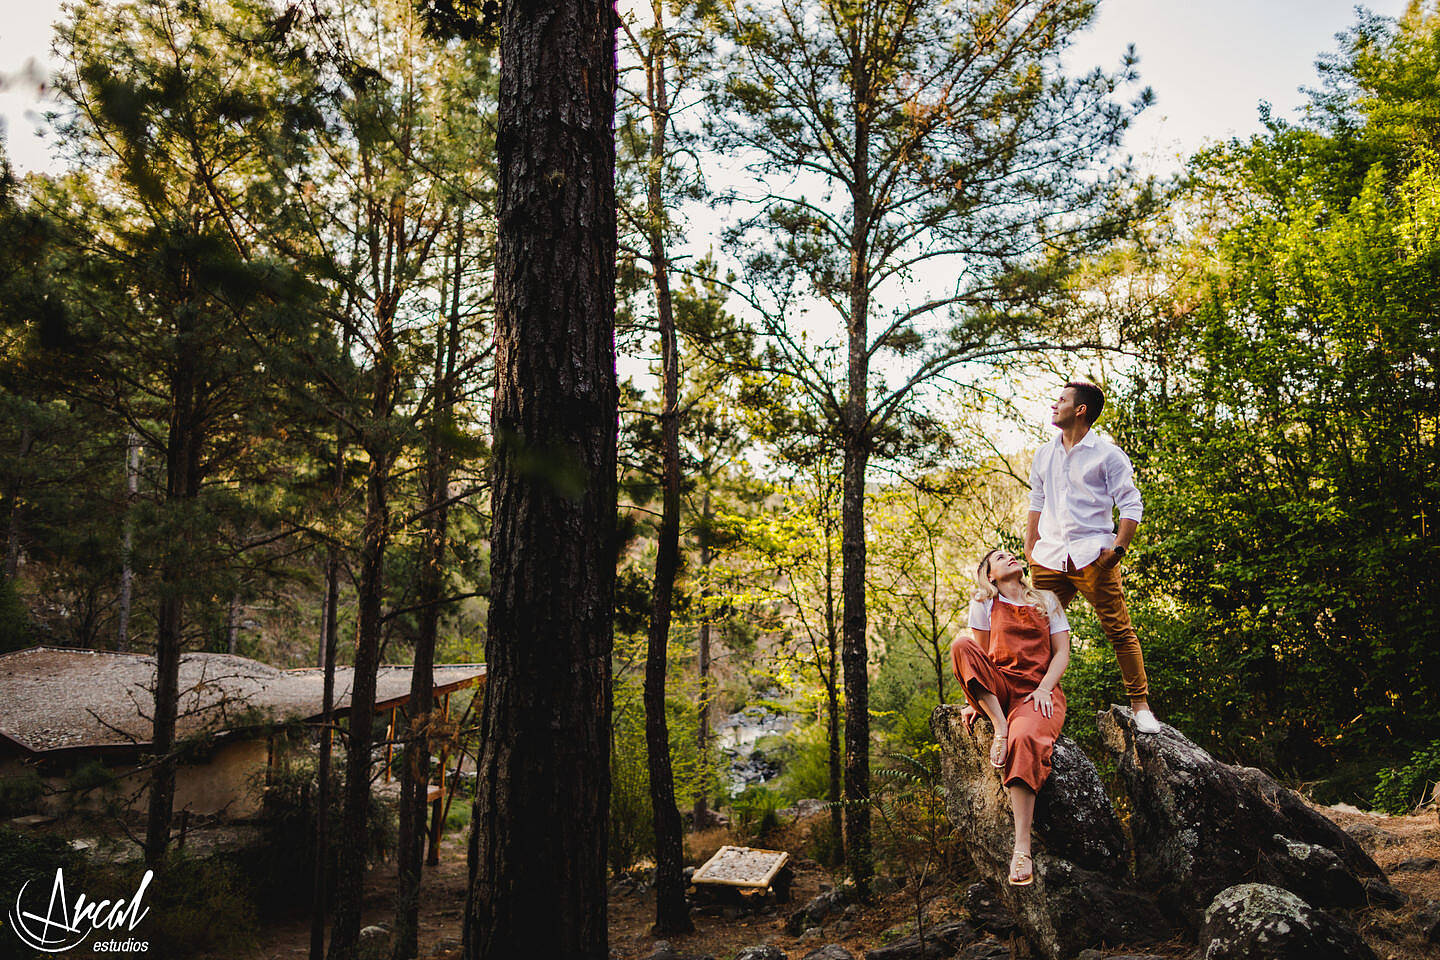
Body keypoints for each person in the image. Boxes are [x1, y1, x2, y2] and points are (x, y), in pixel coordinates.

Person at [1025, 380, 1161, 735]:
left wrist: (1118, 550)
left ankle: (1141, 706)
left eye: (1062, 400)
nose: (1054, 405)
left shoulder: (1108, 455)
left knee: (1119, 630)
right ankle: (1029, 701)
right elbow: (1037, 499)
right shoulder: (1044, 453)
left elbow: (1130, 503)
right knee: (1036, 631)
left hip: (1093, 558)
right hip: (1049, 558)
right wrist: (1030, 545)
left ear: (1080, 409)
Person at [950, 548, 1070, 887]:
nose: (1011, 557)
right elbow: (981, 655)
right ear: (990, 576)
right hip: (1002, 688)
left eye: (1011, 554)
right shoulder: (984, 603)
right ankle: (1000, 726)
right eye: (1000, 558)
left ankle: (1022, 849)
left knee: (1025, 738)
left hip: (1036, 692)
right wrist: (976, 699)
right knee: (960, 645)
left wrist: (1045, 689)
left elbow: (1062, 653)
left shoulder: (1047, 600)